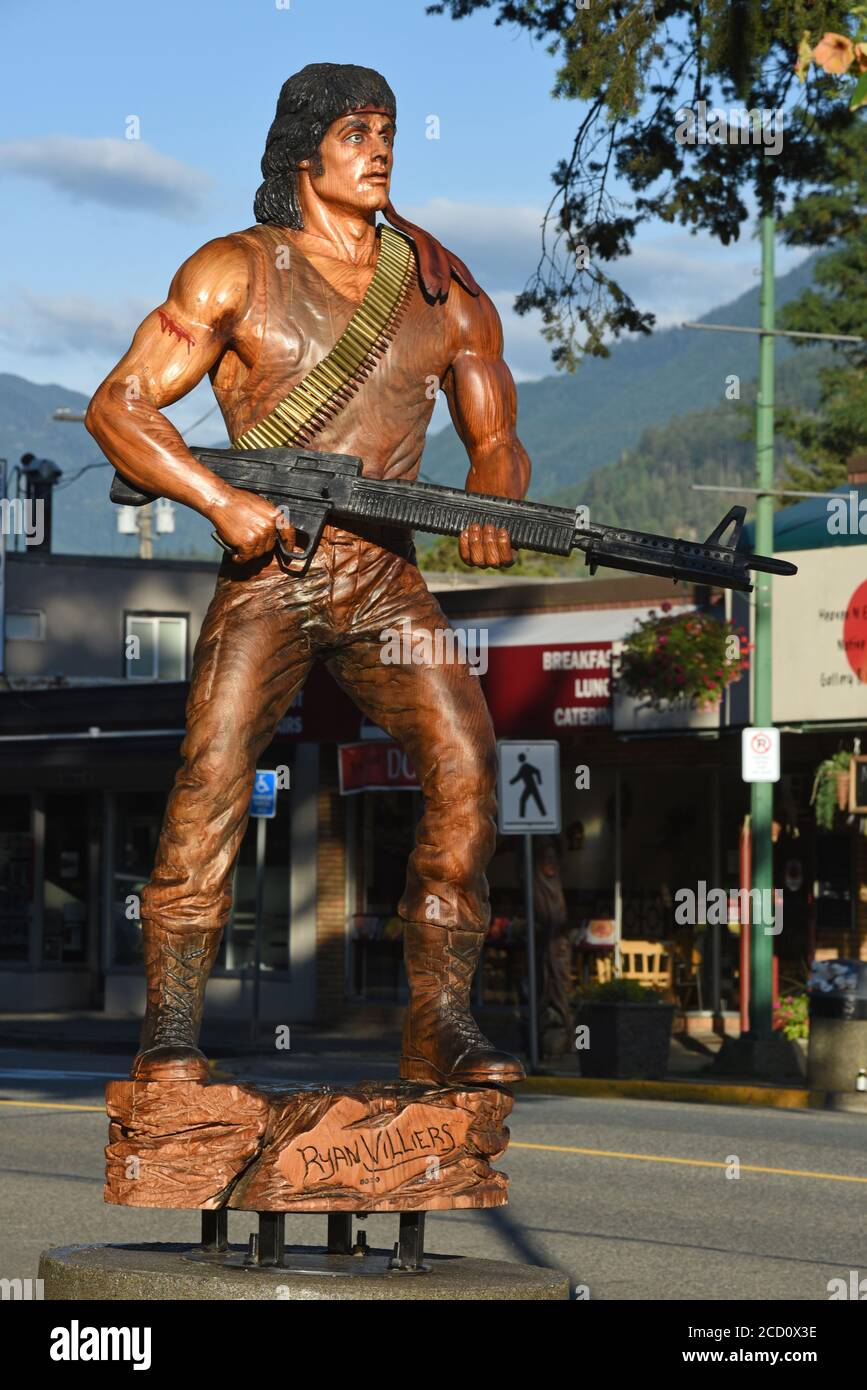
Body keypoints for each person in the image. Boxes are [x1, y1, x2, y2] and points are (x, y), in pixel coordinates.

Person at [86, 63, 531, 1088]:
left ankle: (440, 1020)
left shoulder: (442, 287)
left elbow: (497, 434)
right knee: (211, 777)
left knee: (468, 762)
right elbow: (120, 409)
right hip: (273, 568)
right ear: (304, 153)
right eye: (356, 132)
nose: (380, 148)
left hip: (388, 579)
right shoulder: (232, 269)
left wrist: (494, 500)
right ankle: (170, 1033)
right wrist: (221, 503)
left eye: (388, 130)